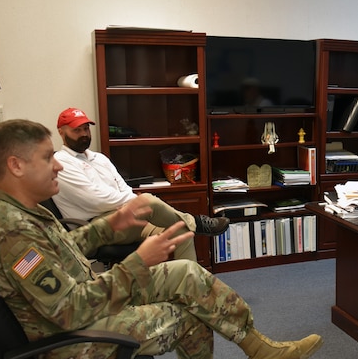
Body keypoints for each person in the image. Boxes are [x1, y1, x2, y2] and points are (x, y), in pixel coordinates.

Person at [0, 119, 323, 359]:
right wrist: (138, 262)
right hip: (67, 340)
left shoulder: (21, 212)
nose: (58, 165)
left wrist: (108, 227)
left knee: (186, 274)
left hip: (81, 306)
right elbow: (67, 311)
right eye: (48, 157)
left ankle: (258, 350)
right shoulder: (10, 232)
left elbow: (66, 253)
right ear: (15, 165)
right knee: (189, 315)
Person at [52, 107, 228, 262]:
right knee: (147, 201)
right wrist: (134, 202)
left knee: (181, 232)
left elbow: (123, 188)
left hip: (125, 217)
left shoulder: (99, 158)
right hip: (94, 227)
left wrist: (131, 202)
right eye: (77, 130)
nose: (84, 134)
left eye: (86, 129)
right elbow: (96, 199)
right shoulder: (61, 162)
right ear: (61, 132)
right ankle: (197, 223)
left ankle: (191, 293)